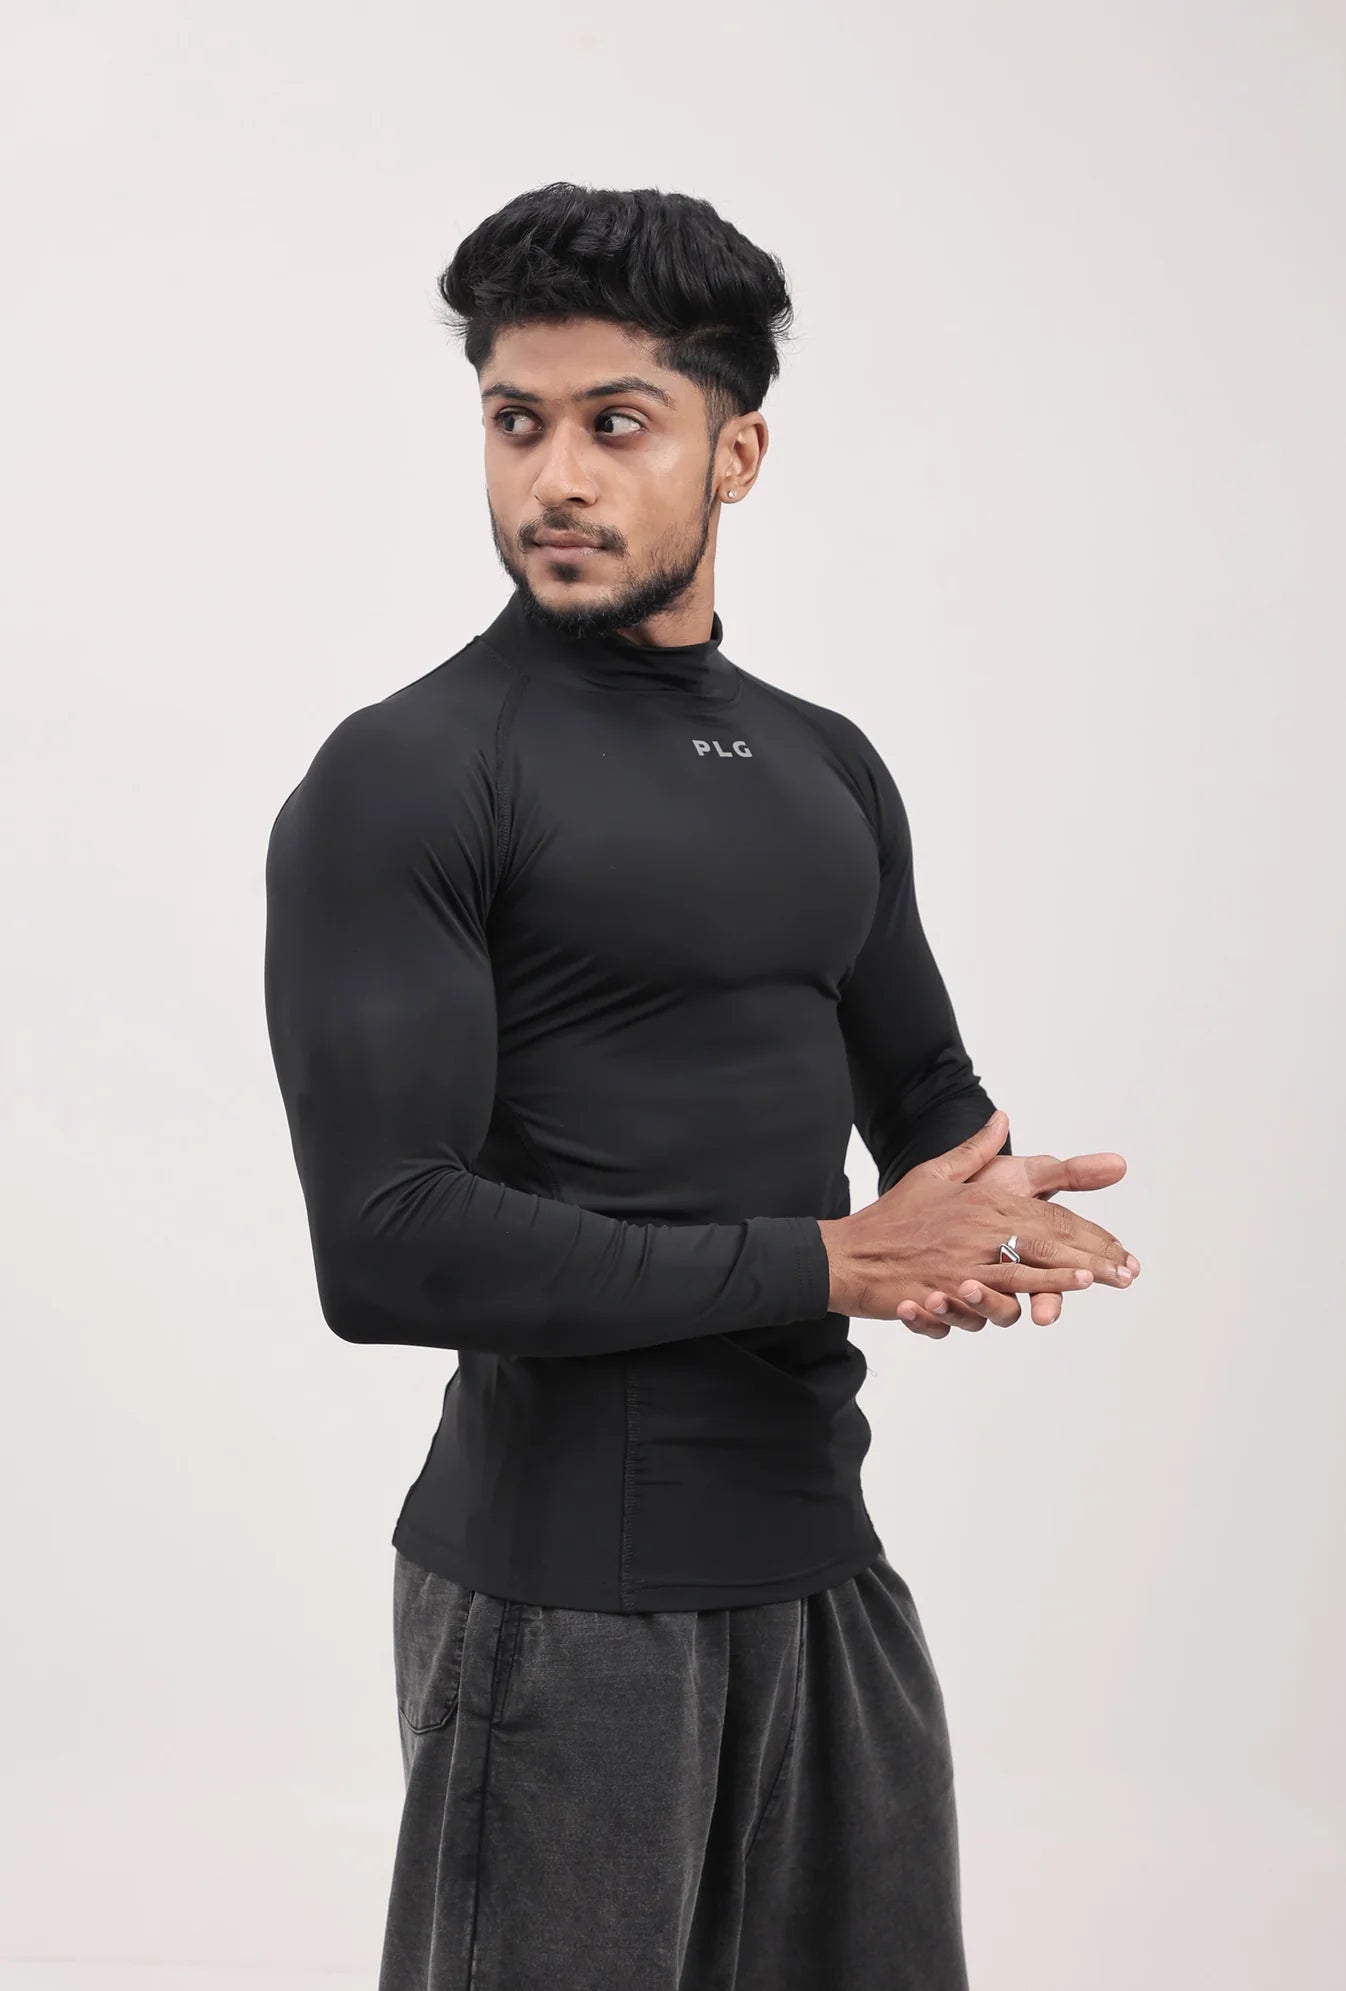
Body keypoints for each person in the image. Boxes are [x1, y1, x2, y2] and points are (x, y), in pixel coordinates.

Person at [263, 181, 1140, 1991]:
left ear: (734, 454)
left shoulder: (825, 765)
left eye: (616, 425)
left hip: (823, 1567)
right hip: (563, 1600)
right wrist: (837, 1258)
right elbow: (386, 1245)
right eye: (516, 422)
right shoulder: (410, 773)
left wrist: (985, 1209)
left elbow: (922, 1085)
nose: (553, 478)